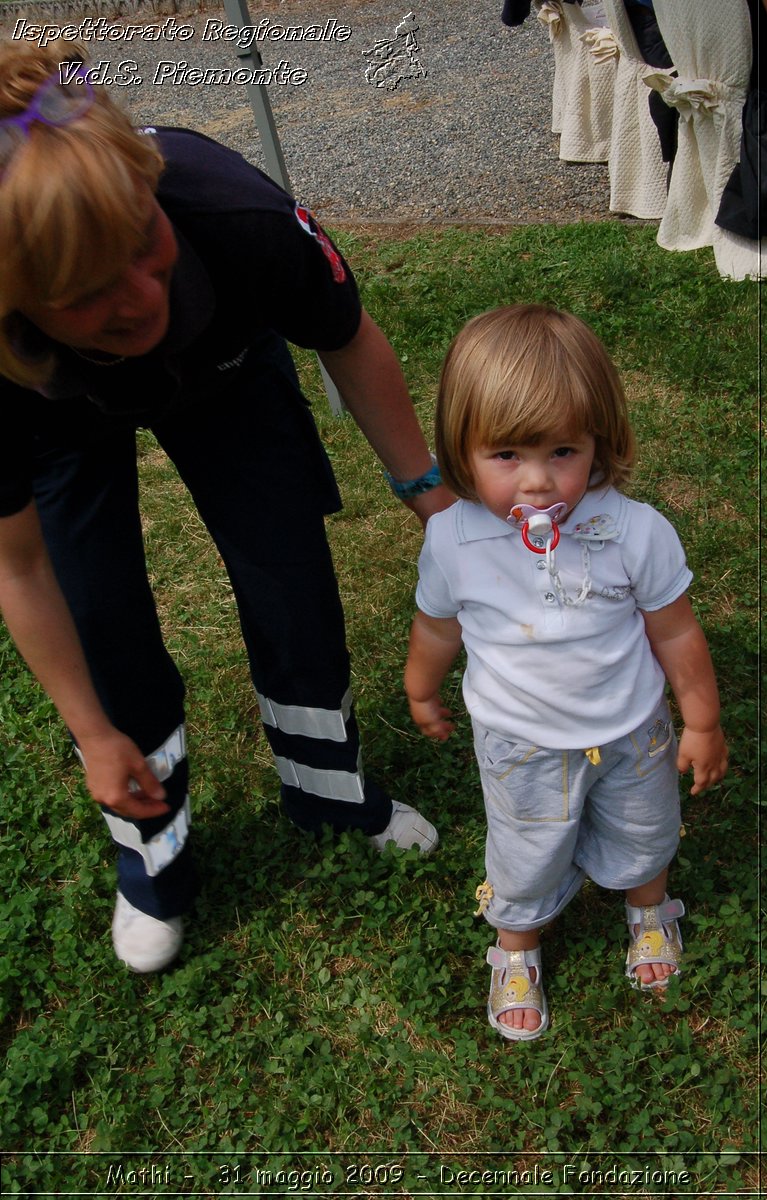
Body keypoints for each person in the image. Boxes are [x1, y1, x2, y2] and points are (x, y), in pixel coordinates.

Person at [0, 42, 451, 974]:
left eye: (141, 246)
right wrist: (90, 734)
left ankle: (329, 792)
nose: (139, 296)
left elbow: (348, 339)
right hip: (59, 413)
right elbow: (21, 564)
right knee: (102, 616)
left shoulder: (232, 209)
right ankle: (153, 863)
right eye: (90, 292)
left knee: (287, 569)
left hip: (227, 371)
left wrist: (431, 501)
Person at [404, 304, 728, 1041]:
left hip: (632, 731)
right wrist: (421, 687)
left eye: (563, 452)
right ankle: (516, 944)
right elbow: (436, 623)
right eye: (507, 455)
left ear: (599, 443)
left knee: (647, 829)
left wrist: (701, 720)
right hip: (520, 741)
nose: (540, 483)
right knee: (524, 849)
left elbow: (676, 632)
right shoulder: (453, 539)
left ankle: (649, 908)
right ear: (461, 448)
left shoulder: (634, 531)